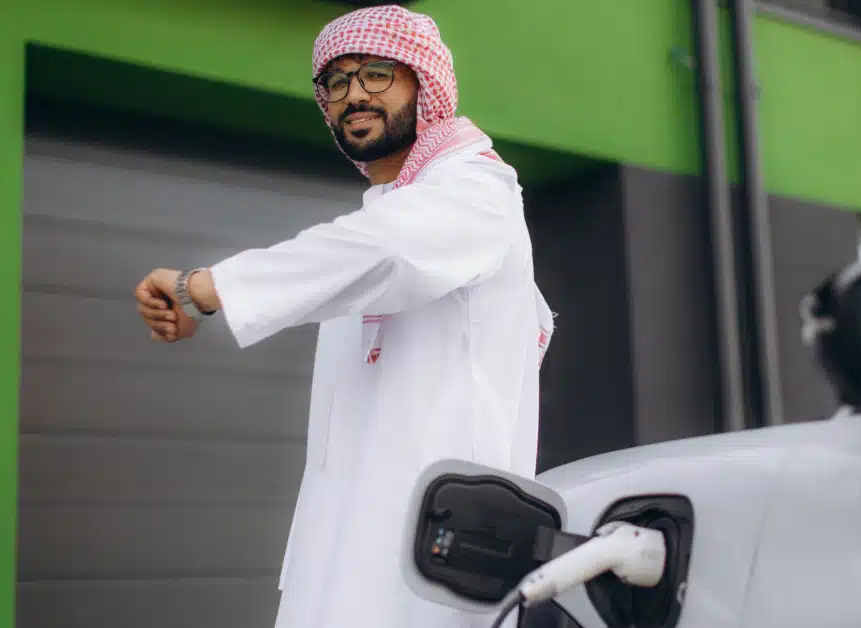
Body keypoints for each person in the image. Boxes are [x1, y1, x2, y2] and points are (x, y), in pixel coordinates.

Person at [132, 5, 555, 627]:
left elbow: (380, 250)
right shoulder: (392, 209)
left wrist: (205, 289)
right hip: (342, 566)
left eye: (378, 73)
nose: (354, 93)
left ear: (425, 85)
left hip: (432, 578)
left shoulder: (477, 192)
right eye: (337, 81)